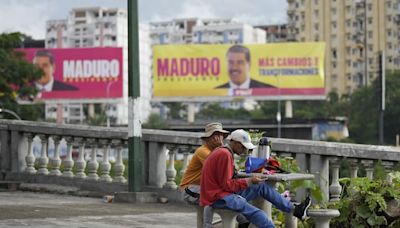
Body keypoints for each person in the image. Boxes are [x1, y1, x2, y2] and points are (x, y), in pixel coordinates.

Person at [200, 129, 311, 228]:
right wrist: (249, 180)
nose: (244, 150)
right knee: (258, 214)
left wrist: (248, 181)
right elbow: (227, 185)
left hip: (220, 194)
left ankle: (295, 210)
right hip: (217, 198)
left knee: (261, 186)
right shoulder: (224, 154)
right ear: (234, 143)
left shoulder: (224, 152)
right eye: (243, 147)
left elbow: (226, 182)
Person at [179, 122, 230, 228]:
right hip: (190, 188)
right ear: (207, 139)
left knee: (233, 197)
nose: (218, 138)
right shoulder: (203, 151)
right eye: (215, 135)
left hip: (203, 187)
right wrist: (221, 146)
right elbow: (217, 168)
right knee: (211, 196)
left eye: (220, 135)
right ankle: (207, 226)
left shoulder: (218, 151)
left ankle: (241, 222)